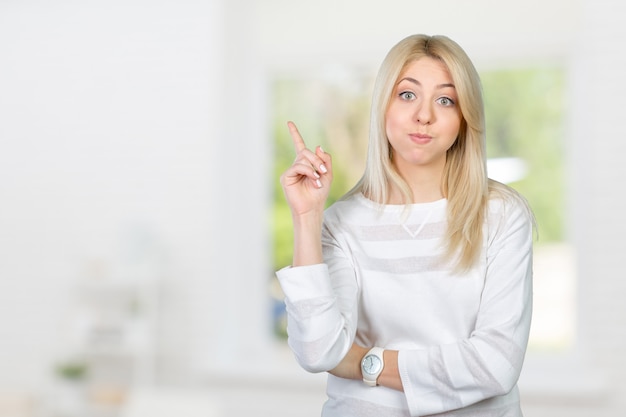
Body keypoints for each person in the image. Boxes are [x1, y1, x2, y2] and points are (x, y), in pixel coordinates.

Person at [277, 34, 534, 417]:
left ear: (464, 120)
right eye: (407, 95)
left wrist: (369, 363)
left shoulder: (502, 214)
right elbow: (318, 351)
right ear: (383, 107)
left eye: (445, 100)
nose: (424, 115)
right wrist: (307, 217)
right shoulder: (341, 224)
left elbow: (495, 366)